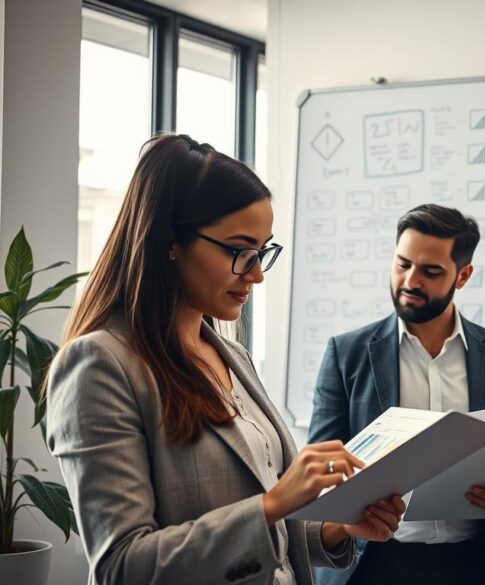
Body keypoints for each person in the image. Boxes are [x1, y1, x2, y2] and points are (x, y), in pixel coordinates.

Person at [46, 133, 405, 585]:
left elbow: (260, 525)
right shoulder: (100, 365)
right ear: (171, 240)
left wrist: (335, 529)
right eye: (239, 251)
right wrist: (274, 503)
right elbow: (122, 565)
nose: (255, 273)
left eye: (262, 251)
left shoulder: (232, 355)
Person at [308, 204, 485, 585]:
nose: (411, 281)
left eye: (430, 271)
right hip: (374, 564)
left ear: (462, 276)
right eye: (402, 264)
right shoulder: (345, 353)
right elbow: (320, 473)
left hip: (479, 565)